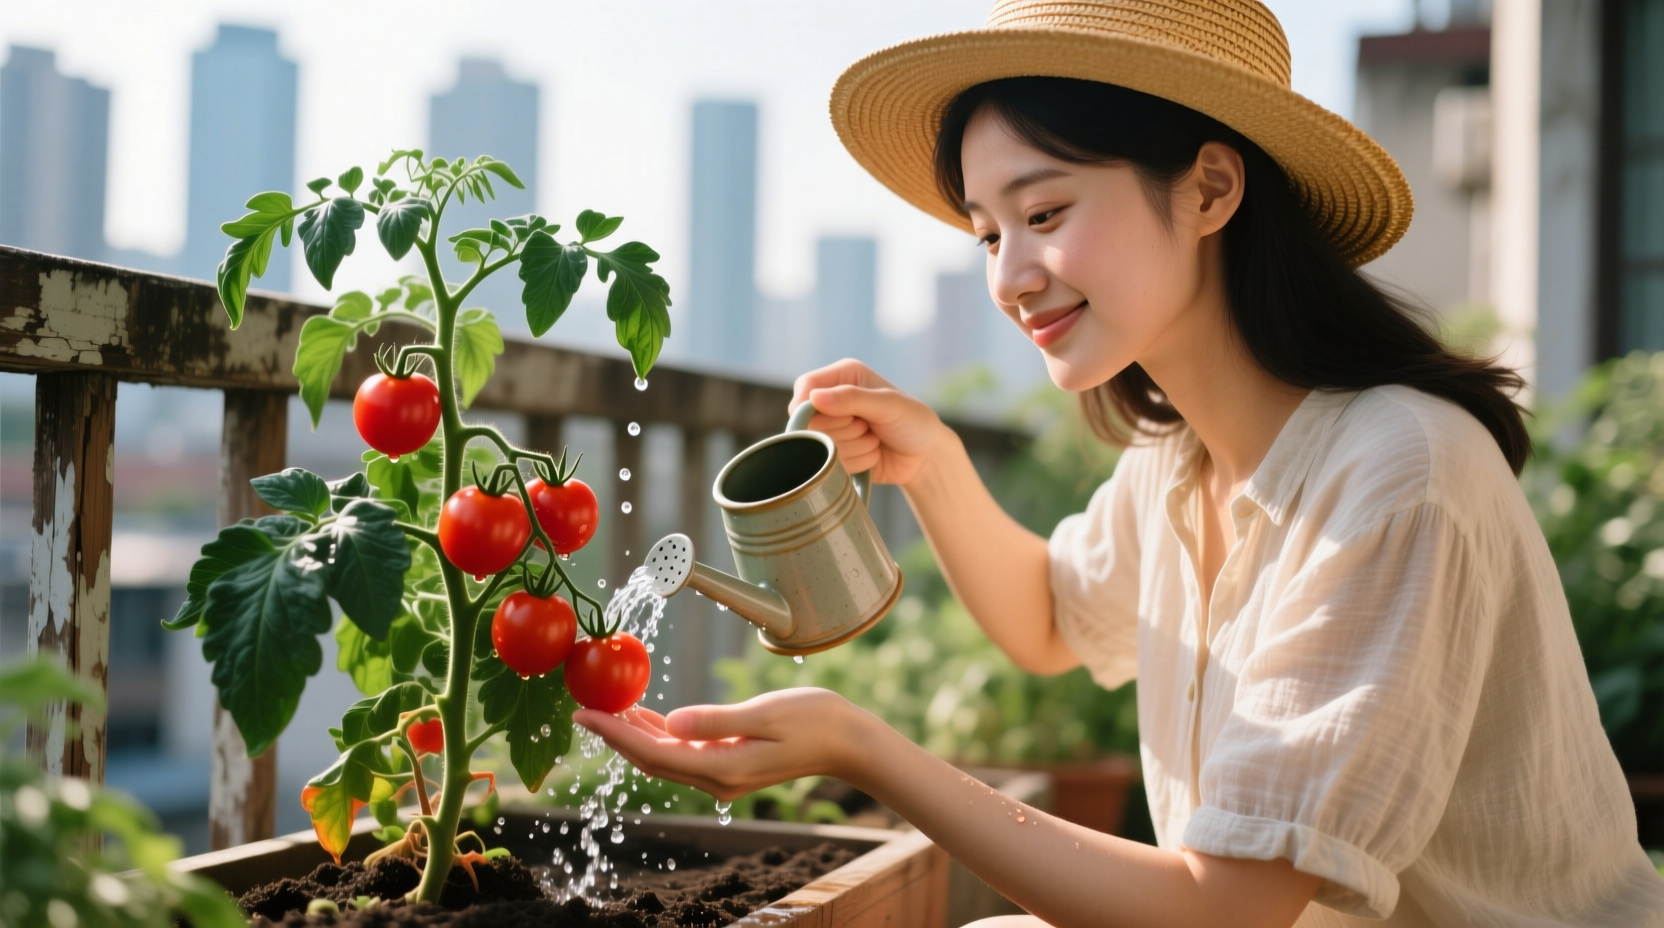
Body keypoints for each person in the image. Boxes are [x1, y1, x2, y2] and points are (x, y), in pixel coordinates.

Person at [576, 1, 1664, 925]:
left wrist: (862, 747)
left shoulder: (1398, 471)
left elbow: (1221, 907)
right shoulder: (1178, 461)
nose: (1010, 277)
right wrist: (934, 464)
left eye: (1043, 212)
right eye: (986, 232)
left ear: (1208, 190)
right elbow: (1051, 622)